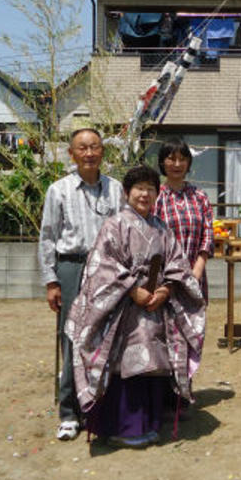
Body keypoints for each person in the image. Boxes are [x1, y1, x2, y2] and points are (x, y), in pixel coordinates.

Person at [65, 165, 205, 447]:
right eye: (139, 188)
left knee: (154, 360)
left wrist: (166, 290)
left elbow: (177, 263)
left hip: (155, 305)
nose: (145, 194)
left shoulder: (161, 228)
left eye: (151, 189)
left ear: (157, 194)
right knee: (123, 364)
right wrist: (132, 290)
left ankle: (150, 422)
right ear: (127, 193)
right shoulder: (114, 225)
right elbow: (103, 266)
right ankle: (122, 427)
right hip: (122, 308)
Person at [38, 128, 124, 442]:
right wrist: (51, 280)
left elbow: (124, 232)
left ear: (103, 152)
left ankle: (98, 409)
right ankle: (69, 412)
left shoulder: (116, 190)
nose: (89, 153)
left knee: (106, 337)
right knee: (72, 338)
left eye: (95, 147)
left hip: (107, 268)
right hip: (71, 266)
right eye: (82, 148)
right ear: (72, 154)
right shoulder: (58, 190)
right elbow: (47, 237)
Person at [153, 137, 214, 302]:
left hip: (194, 274)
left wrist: (197, 270)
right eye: (171, 159)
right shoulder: (155, 196)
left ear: (188, 163)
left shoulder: (199, 196)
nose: (177, 164)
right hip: (163, 279)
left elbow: (207, 236)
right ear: (162, 162)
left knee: (193, 325)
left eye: (182, 159)